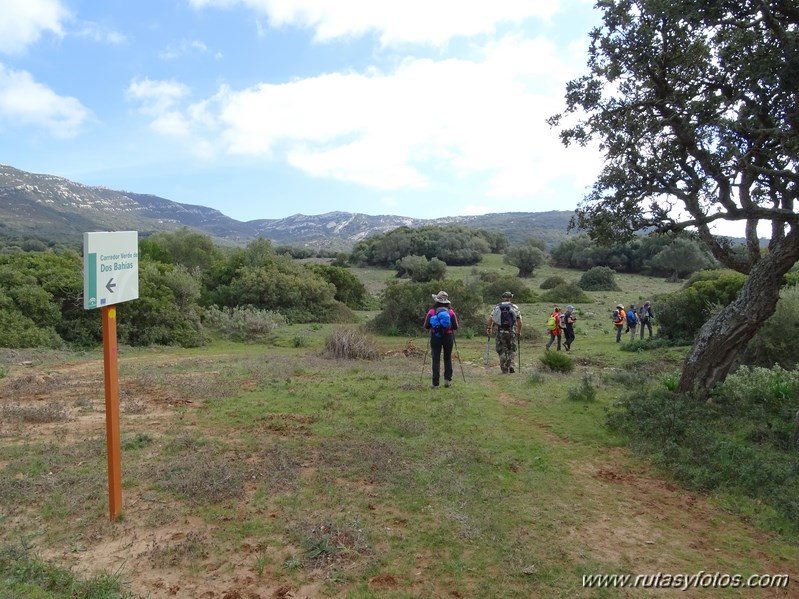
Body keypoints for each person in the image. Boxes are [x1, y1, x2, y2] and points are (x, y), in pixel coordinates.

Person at [423, 291, 459, 388]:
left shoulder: (432, 312)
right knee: (447, 358)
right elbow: (456, 327)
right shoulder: (450, 312)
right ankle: (447, 381)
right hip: (448, 337)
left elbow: (426, 325)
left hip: (435, 337)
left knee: (436, 359)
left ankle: (435, 384)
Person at [486, 291, 522, 373]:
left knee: (501, 349)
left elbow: (490, 318)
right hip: (511, 331)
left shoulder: (497, 307)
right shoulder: (514, 307)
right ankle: (511, 365)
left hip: (500, 331)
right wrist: (519, 331)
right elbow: (519, 320)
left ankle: (504, 368)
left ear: (503, 298)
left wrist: (489, 328)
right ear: (510, 298)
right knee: (511, 348)